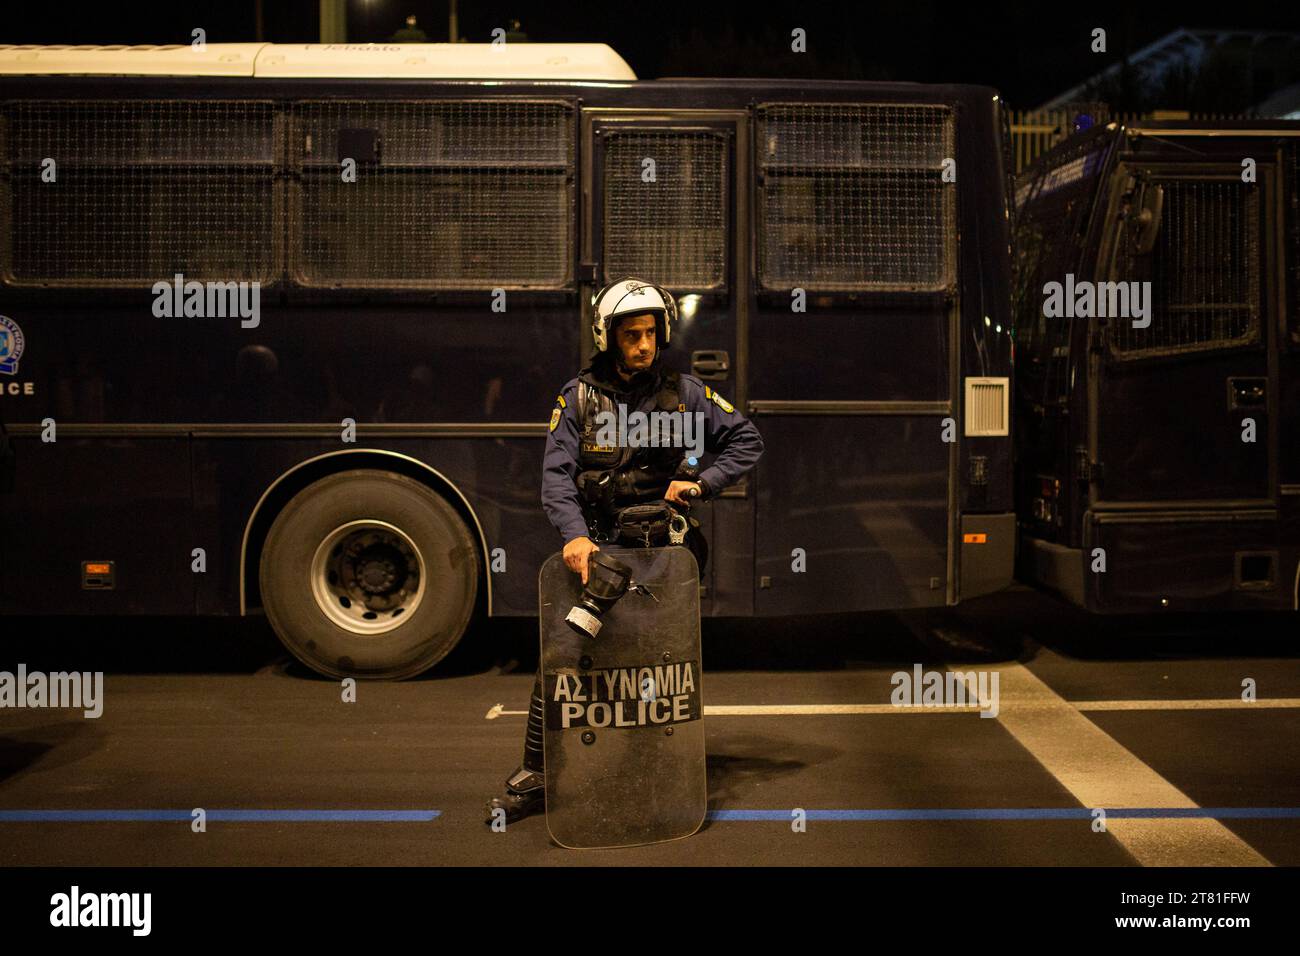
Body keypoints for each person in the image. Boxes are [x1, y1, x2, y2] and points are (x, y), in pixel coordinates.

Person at [485, 275, 764, 824]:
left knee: (656, 666)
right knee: (564, 655)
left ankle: (651, 765)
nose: (643, 345)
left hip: (665, 554)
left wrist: (702, 483)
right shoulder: (577, 398)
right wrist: (575, 536)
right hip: (599, 556)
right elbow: (556, 479)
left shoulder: (685, 394)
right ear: (607, 336)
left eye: (651, 334)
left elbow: (746, 440)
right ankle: (539, 774)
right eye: (631, 334)